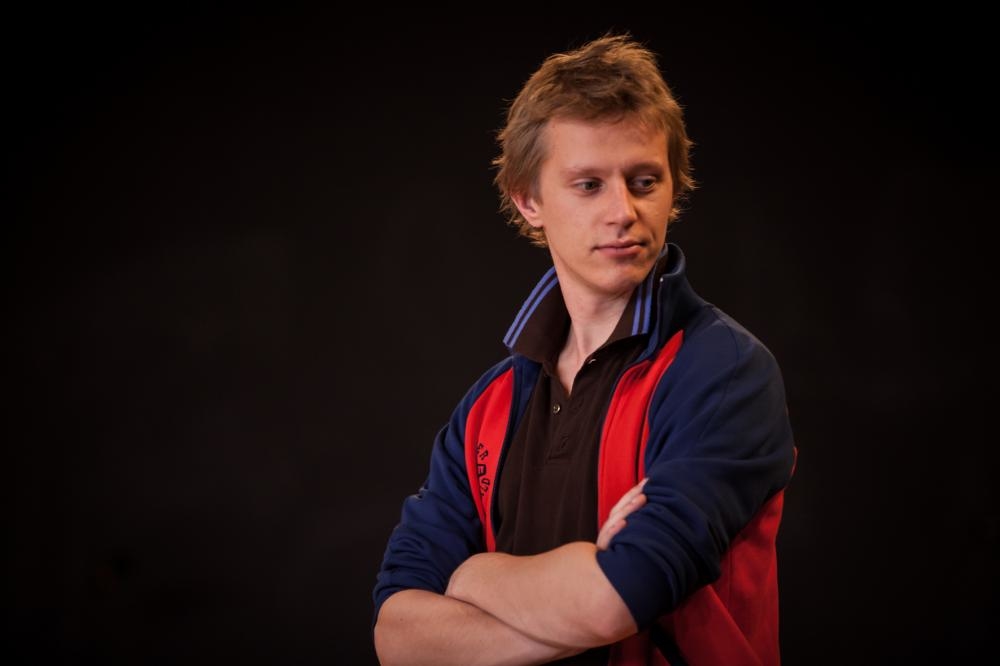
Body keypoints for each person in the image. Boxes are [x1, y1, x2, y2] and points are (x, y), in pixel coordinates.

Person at [372, 32, 796, 666]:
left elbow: (614, 603)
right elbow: (397, 637)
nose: (623, 210)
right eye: (589, 184)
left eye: (644, 181)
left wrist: (472, 576)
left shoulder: (725, 373)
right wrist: (584, 584)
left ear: (673, 188)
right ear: (528, 199)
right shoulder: (489, 406)